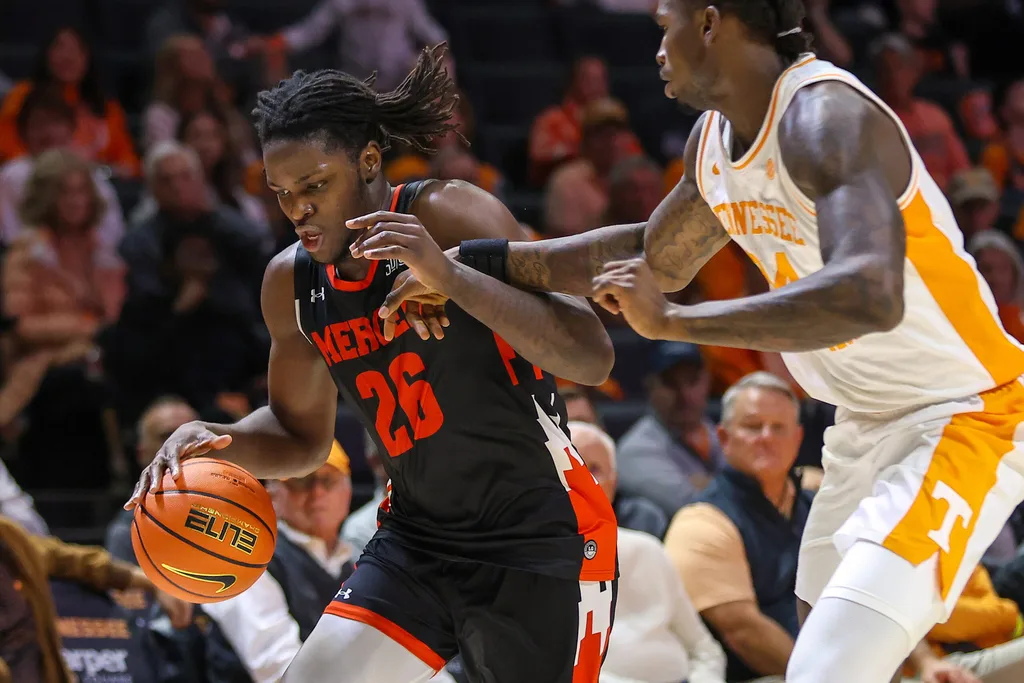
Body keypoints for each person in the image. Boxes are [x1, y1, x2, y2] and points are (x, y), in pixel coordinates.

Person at [382, 3, 1024, 683]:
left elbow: (869, 291)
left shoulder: (824, 118)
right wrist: (463, 267)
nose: (657, 47)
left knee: (824, 669)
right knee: (842, 657)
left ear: (712, 22)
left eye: (666, 24)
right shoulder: (715, 142)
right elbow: (650, 256)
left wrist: (681, 324)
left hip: (964, 413)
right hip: (864, 420)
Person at [126, 44, 618, 683]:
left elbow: (590, 354)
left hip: (542, 538)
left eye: (315, 185)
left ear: (367, 162)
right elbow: (302, 439)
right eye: (281, 193)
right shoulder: (292, 283)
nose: (298, 208)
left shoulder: (447, 212)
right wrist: (216, 444)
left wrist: (452, 274)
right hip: (417, 541)